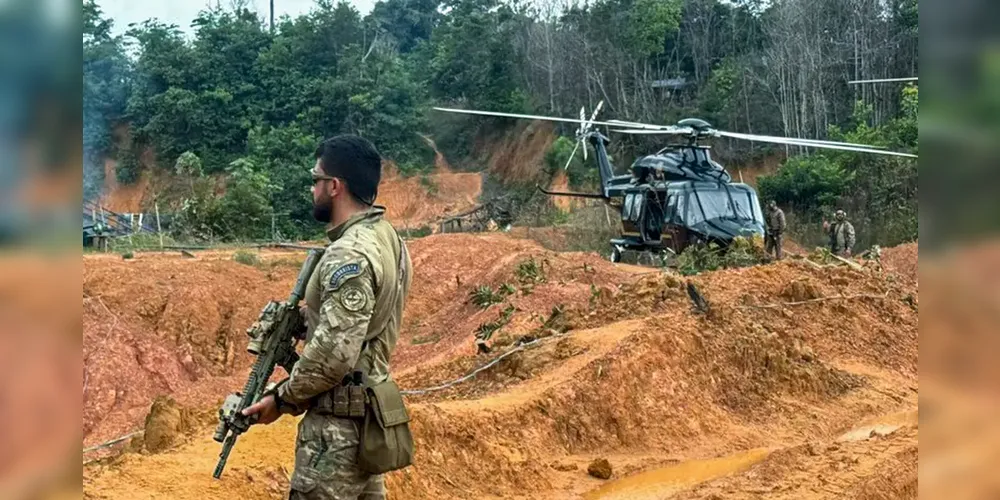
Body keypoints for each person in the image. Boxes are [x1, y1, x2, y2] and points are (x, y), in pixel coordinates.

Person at [242, 134, 413, 500]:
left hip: (336, 436)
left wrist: (283, 398)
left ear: (334, 186)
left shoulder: (347, 254)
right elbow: (361, 323)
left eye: (315, 179)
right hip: (368, 425)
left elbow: (334, 354)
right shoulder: (389, 240)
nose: (312, 188)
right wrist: (304, 320)